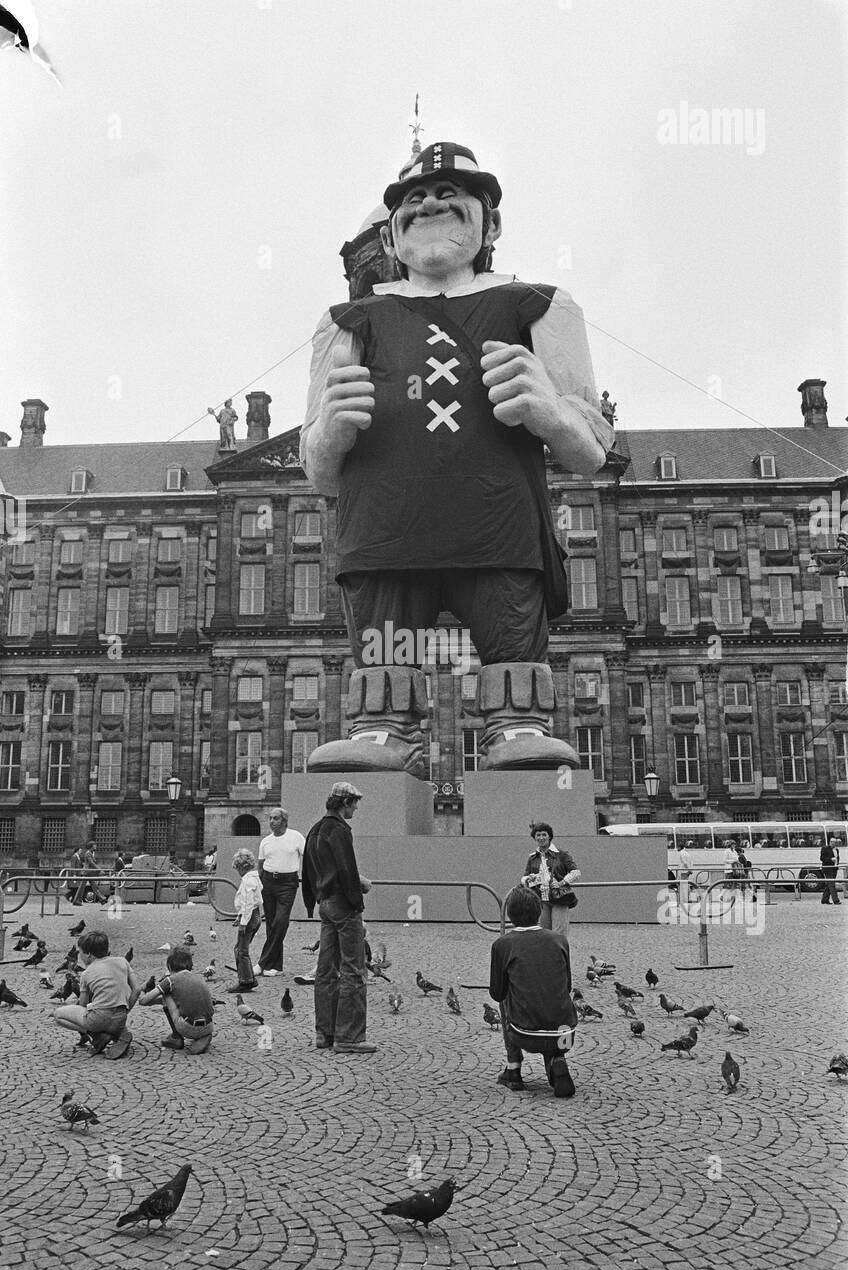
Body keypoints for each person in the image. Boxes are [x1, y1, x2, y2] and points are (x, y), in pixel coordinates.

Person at [301, 141, 612, 775]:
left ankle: (517, 726)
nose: (431, 204)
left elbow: (591, 452)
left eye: (451, 194)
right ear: (392, 233)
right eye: (413, 200)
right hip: (385, 531)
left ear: (489, 223)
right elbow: (318, 470)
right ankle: (382, 730)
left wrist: (550, 411)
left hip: (498, 526)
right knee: (385, 651)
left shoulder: (543, 306)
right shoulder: (347, 320)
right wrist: (330, 432)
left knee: (510, 636)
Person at [302, 782, 375, 1054]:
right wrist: (359, 894)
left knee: (325, 971)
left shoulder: (315, 830)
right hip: (343, 905)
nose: (356, 807)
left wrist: (315, 899)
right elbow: (346, 869)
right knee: (354, 969)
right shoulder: (340, 830)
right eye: (354, 803)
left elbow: (310, 871)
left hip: (325, 904)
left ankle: (325, 1033)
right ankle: (350, 1037)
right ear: (344, 803)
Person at [490, 885, 577, 1097]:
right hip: (565, 1032)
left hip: (524, 1034)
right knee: (551, 997)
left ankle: (513, 1069)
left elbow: (497, 993)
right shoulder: (559, 940)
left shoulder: (503, 945)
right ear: (539, 911)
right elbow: (567, 987)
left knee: (507, 999)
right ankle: (557, 1058)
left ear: (510, 914)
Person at [54, 929, 139, 1058]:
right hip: (121, 1017)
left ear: (88, 954)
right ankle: (118, 1033)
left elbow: (82, 1006)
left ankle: (99, 1036)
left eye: (80, 952)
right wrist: (126, 1011)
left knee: (58, 1015)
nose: (80, 956)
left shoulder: (87, 973)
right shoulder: (123, 961)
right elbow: (137, 990)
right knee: (110, 1018)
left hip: (98, 1019)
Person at [256, 808, 305, 977]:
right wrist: (257, 886)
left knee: (281, 921)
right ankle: (275, 966)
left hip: (288, 883)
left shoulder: (296, 837)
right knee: (271, 924)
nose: (271, 821)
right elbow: (260, 866)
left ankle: (262, 962)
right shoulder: (265, 842)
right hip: (268, 882)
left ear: (284, 821)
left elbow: (309, 856)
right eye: (270, 818)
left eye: (275, 818)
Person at [138, 946, 214, 1054]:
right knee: (183, 998)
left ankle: (176, 1037)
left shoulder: (170, 980)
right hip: (209, 1026)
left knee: (166, 994)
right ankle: (204, 1036)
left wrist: (142, 988)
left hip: (188, 1027)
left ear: (169, 965)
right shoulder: (199, 978)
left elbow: (143, 1001)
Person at [520, 822, 580, 939]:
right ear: (534, 838)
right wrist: (529, 879)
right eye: (538, 835)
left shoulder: (562, 855)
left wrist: (562, 882)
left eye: (544, 834)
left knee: (559, 933)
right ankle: (547, 956)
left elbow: (576, 872)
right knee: (544, 933)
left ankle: (559, 956)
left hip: (560, 898)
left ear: (549, 836)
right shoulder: (532, 857)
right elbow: (524, 877)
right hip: (541, 899)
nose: (541, 838)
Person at [227, 849, 264, 993]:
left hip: (250, 917)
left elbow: (248, 903)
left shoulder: (248, 880)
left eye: (237, 869)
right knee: (241, 949)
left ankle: (246, 981)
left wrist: (243, 922)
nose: (238, 872)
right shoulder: (254, 878)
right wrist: (239, 917)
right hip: (253, 915)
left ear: (242, 867)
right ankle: (248, 978)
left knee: (241, 950)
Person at [820, 836, 842, 906]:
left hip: (834, 869)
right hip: (827, 869)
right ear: (830, 842)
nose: (834, 843)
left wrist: (837, 864)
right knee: (832, 885)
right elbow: (822, 858)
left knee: (828, 885)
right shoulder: (825, 848)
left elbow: (837, 858)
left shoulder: (837, 850)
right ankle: (836, 900)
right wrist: (830, 859)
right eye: (833, 842)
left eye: (835, 842)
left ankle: (824, 899)